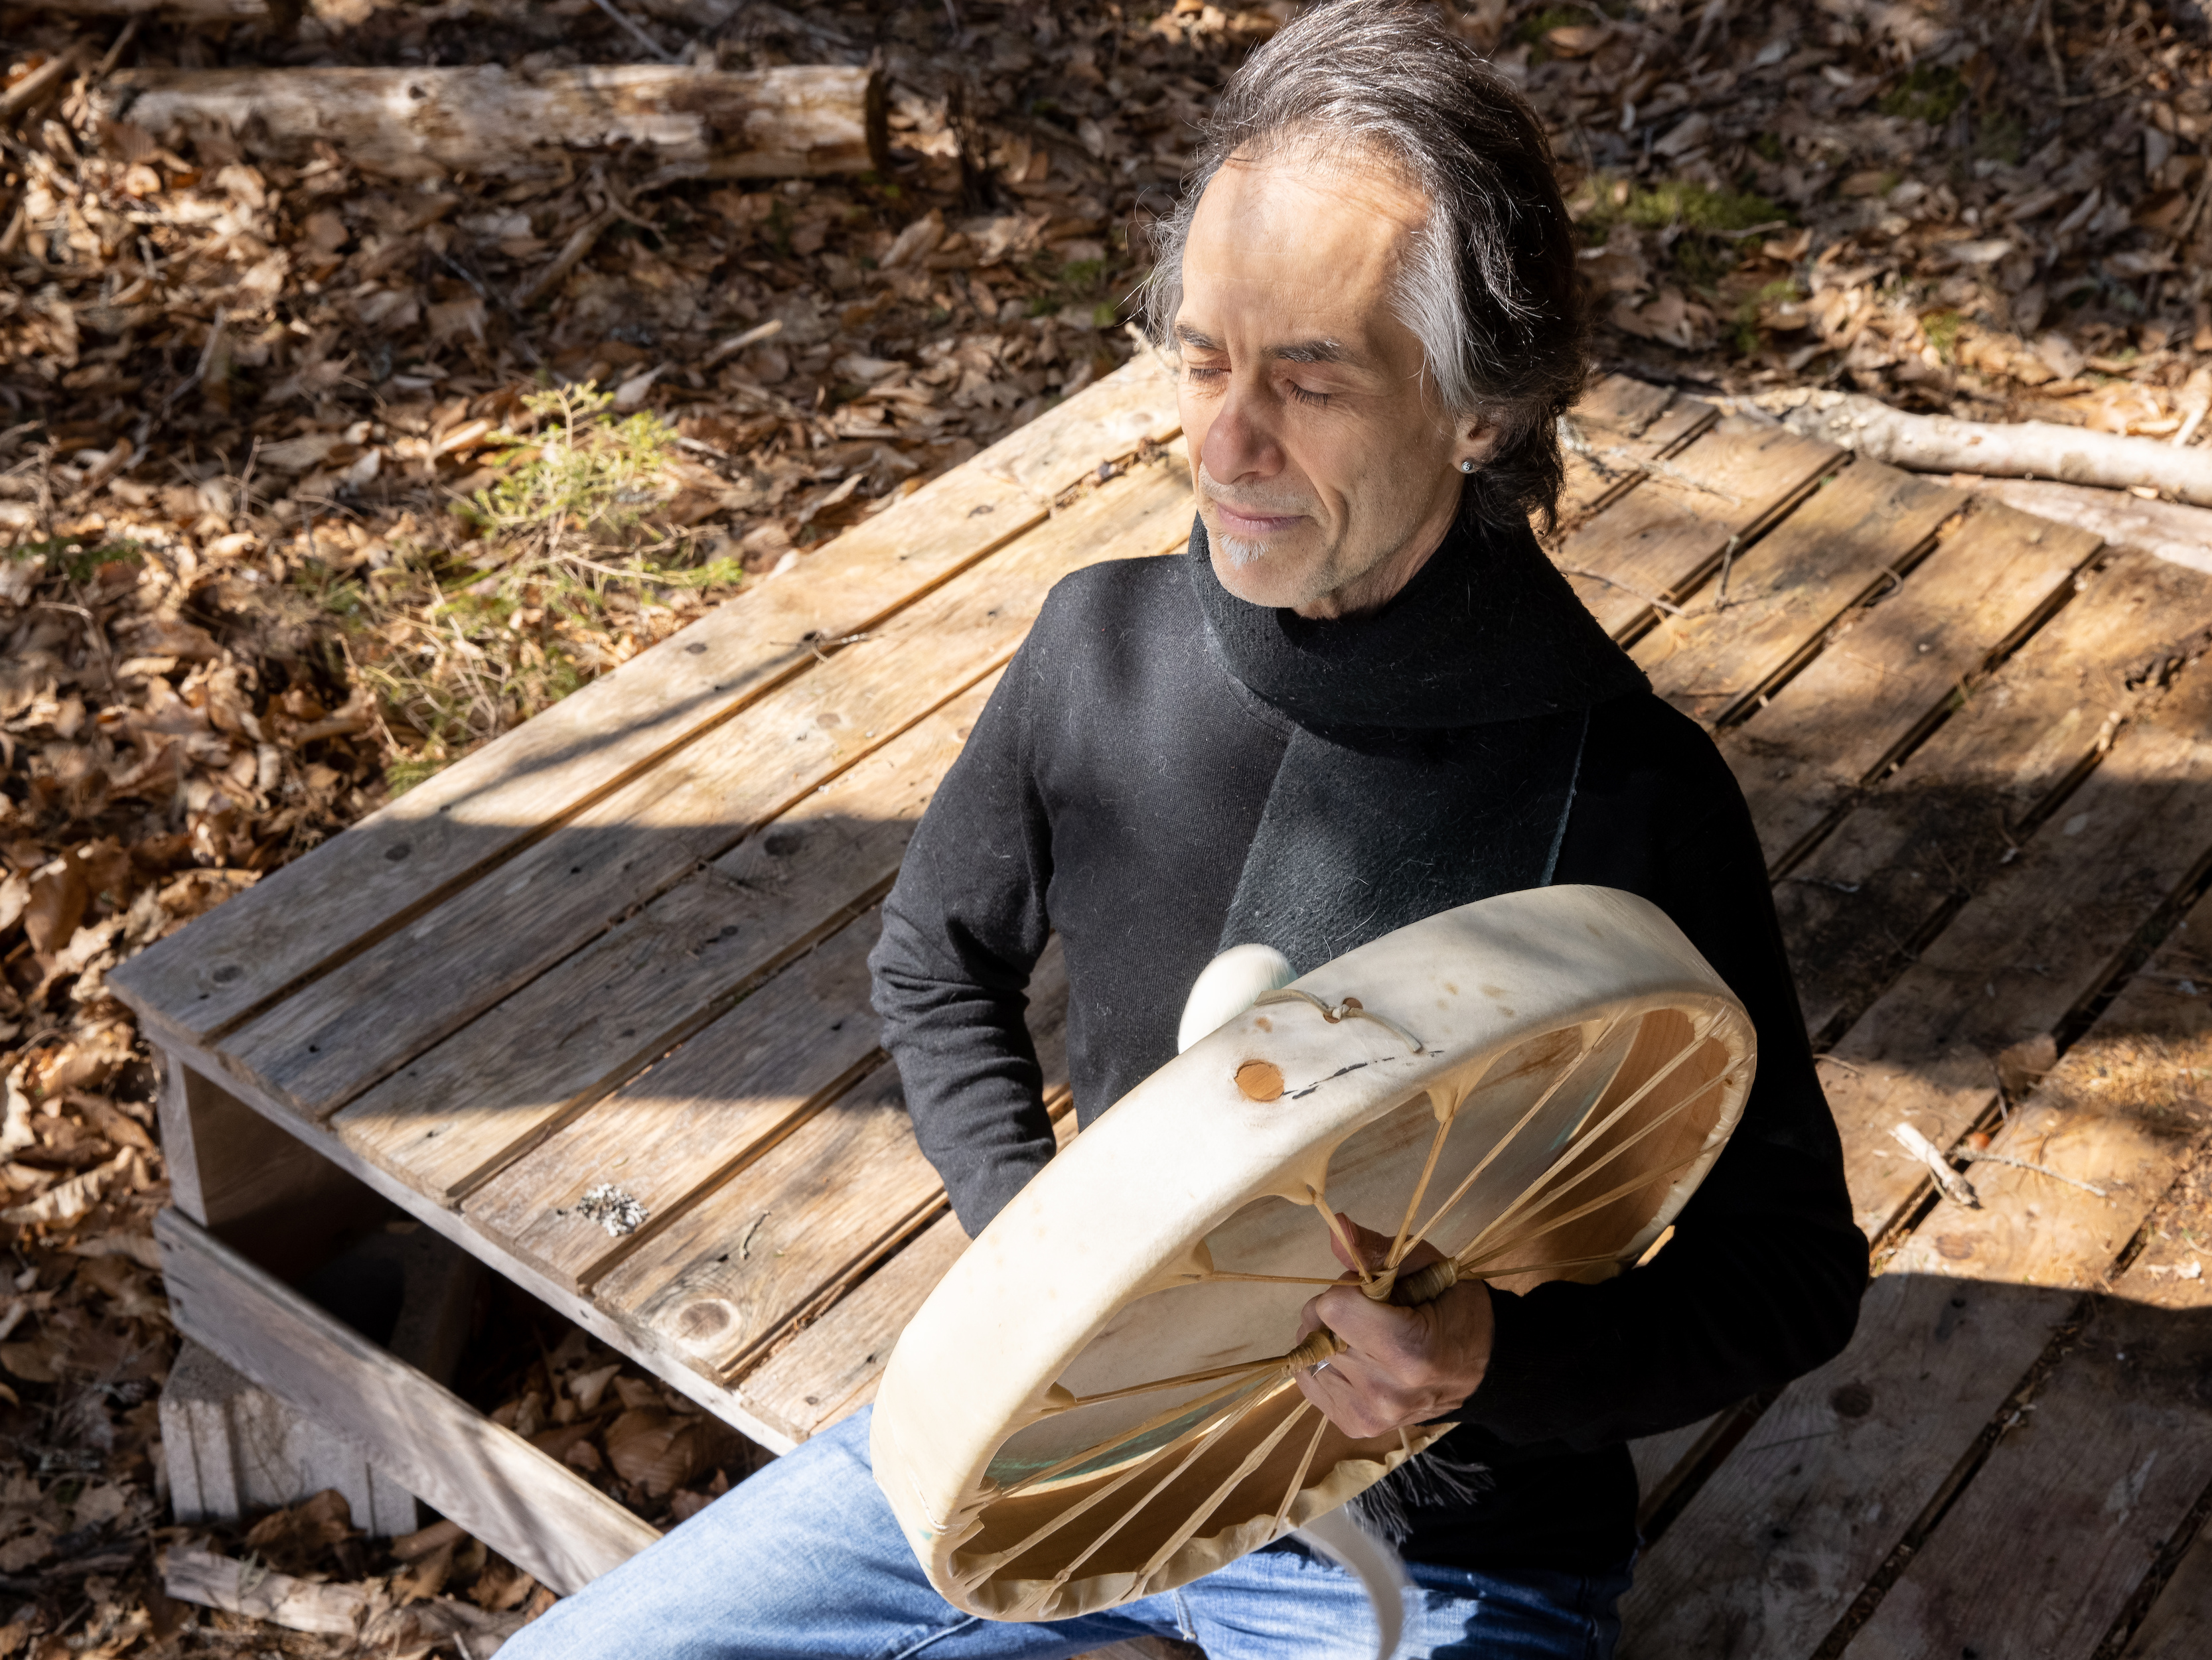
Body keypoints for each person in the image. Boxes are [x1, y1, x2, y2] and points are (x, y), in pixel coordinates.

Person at [497, 5, 1866, 1656]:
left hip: (1448, 1545)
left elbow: (1790, 1279)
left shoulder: (1626, 787)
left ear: (1483, 408)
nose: (1222, 447)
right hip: (1065, 1455)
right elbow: (935, 959)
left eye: (1307, 378)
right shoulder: (1099, 651)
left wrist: (1493, 1363)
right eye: (1200, 358)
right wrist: (1048, 1279)